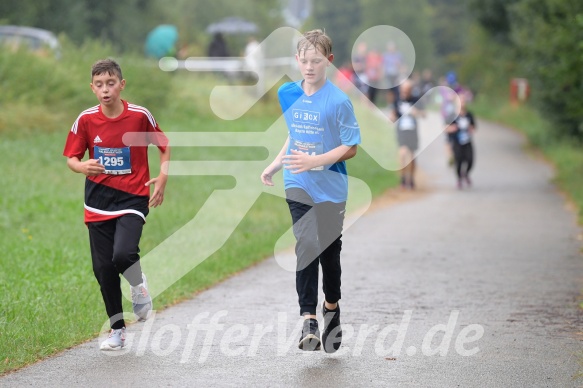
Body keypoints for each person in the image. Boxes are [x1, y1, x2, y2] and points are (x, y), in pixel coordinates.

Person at [260, 29, 361, 353]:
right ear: (297, 61)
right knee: (306, 242)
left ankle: (331, 308)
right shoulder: (288, 93)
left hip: (331, 187)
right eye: (304, 61)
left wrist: (316, 160)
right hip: (297, 180)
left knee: (329, 254)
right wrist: (278, 163)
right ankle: (308, 319)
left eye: (316, 61)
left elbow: (351, 147)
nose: (309, 67)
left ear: (328, 61)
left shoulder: (339, 101)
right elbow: (295, 133)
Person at [63, 59, 170, 351]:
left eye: (110, 83)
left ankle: (138, 285)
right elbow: (71, 158)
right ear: (92, 88)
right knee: (102, 268)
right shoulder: (85, 120)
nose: (105, 89)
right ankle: (117, 330)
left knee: (123, 254)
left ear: (121, 85)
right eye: (99, 85)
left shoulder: (138, 116)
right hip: (97, 202)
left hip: (133, 197)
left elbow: (163, 144)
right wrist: (82, 166)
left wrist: (162, 176)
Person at [389, 79, 425, 189]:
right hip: (401, 130)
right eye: (403, 90)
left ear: (411, 90)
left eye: (407, 90)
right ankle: (403, 178)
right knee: (402, 153)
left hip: (412, 130)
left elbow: (424, 114)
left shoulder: (416, 100)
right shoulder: (397, 100)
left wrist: (416, 112)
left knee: (412, 156)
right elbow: (393, 115)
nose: (404, 92)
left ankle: (411, 179)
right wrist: (392, 117)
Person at [446, 96, 476, 189]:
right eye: (460, 102)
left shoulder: (469, 115)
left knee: (470, 159)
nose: (462, 104)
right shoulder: (452, 116)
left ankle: (466, 173)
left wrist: (471, 129)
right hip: (456, 141)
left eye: (463, 102)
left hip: (467, 141)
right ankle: (459, 179)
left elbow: (473, 127)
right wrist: (453, 128)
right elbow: (446, 128)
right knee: (458, 161)